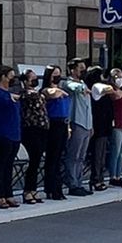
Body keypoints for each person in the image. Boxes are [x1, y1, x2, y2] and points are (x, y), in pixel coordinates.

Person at [0, 64, 22, 207]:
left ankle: (9, 193)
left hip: (14, 133)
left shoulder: (11, 93)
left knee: (9, 166)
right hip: (1, 133)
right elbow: (2, 103)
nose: (13, 80)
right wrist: (10, 97)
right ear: (3, 77)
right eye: (11, 77)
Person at [63, 59, 93, 196]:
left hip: (87, 123)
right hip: (77, 122)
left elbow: (89, 106)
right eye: (80, 68)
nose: (83, 71)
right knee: (73, 155)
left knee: (81, 156)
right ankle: (72, 183)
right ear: (72, 70)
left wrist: (91, 125)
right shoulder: (68, 82)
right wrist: (82, 88)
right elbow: (72, 87)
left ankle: (79, 182)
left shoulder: (83, 83)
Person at [19, 69, 50, 203]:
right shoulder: (25, 94)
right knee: (33, 161)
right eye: (32, 78)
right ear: (26, 81)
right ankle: (27, 191)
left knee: (37, 162)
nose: (34, 80)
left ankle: (33, 189)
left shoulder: (38, 93)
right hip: (31, 129)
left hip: (42, 129)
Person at [42, 66, 71, 200]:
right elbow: (53, 93)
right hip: (53, 124)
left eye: (59, 74)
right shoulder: (46, 90)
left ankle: (58, 187)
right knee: (52, 158)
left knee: (60, 157)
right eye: (55, 75)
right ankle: (51, 188)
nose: (57, 77)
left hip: (63, 123)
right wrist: (61, 91)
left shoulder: (62, 90)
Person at [88, 67, 114, 190]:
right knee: (97, 155)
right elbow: (108, 89)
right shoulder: (95, 86)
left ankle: (100, 177)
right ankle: (96, 179)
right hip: (98, 125)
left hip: (105, 124)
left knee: (103, 154)